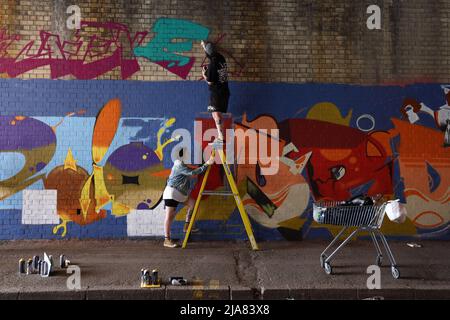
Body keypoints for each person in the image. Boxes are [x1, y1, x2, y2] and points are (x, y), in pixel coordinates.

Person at [162, 154, 215, 248]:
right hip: (172, 193)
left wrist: (205, 164)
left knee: (192, 204)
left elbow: (192, 169)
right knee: (169, 216)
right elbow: (193, 173)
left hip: (180, 193)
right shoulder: (179, 165)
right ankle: (167, 239)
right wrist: (207, 164)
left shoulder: (182, 165)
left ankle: (187, 225)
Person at [201, 40, 230, 144]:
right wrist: (205, 46)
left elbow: (210, 82)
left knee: (216, 114)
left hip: (217, 92)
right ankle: (220, 136)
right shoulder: (221, 58)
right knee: (215, 113)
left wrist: (205, 75)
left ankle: (221, 137)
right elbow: (211, 55)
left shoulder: (213, 65)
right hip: (225, 91)